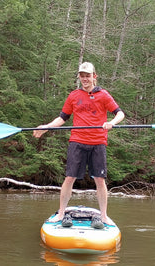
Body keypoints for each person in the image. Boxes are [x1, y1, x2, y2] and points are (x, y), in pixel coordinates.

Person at [33, 62, 125, 226]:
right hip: (77, 141)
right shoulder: (74, 96)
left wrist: (112, 123)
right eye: (82, 76)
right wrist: (46, 127)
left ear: (94, 76)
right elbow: (62, 118)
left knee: (100, 179)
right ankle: (61, 213)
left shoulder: (104, 95)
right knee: (69, 178)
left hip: (98, 142)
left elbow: (120, 113)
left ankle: (103, 216)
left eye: (87, 76)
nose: (85, 79)